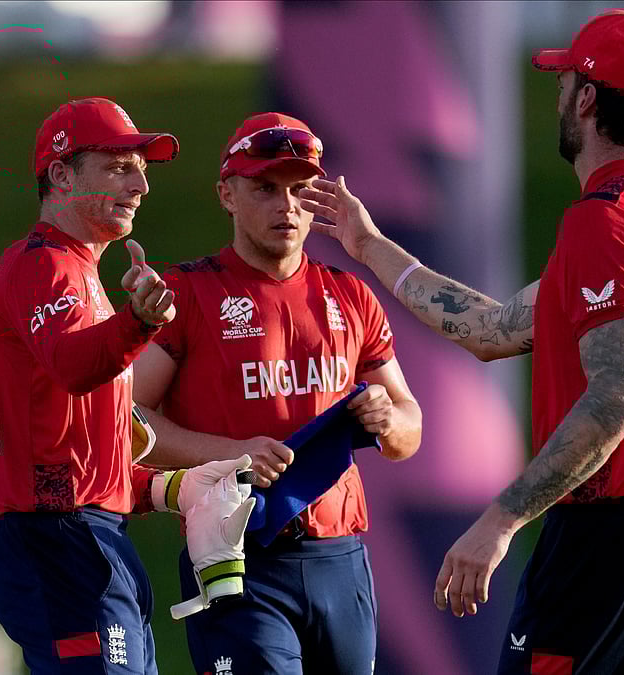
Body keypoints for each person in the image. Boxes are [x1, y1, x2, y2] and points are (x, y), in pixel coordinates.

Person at [300, 10, 624, 672]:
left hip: (614, 525)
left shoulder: (605, 221)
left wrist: (498, 522)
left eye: (563, 83)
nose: (556, 97)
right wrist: (370, 246)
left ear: (586, 99)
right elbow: (492, 328)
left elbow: (615, 400)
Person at [130, 112, 424, 674]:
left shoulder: (351, 295)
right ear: (227, 195)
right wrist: (229, 451)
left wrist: (388, 418)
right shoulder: (188, 293)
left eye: (298, 189)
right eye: (265, 188)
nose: (285, 205)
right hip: (235, 551)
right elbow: (124, 422)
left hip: (339, 554)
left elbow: (408, 430)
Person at [0, 97, 254, 675]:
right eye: (119, 166)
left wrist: (172, 489)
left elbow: (82, 452)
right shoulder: (43, 264)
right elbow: (75, 366)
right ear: (60, 173)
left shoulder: (77, 272)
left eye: (142, 170)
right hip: (58, 537)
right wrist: (141, 323)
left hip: (83, 533)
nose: (140, 186)